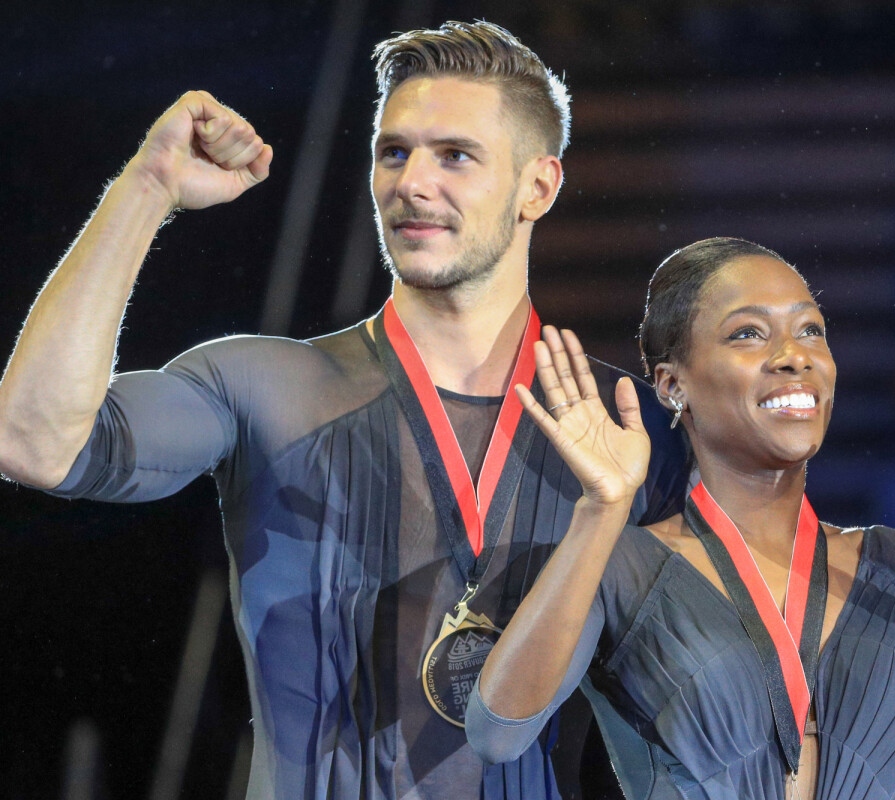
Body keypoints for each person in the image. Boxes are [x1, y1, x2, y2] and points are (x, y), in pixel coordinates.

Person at [0, 21, 686, 800]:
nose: (411, 183)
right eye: (393, 152)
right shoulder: (268, 387)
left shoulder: (636, 438)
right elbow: (30, 441)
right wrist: (146, 189)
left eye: (454, 155)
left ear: (539, 186)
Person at [466, 237, 895, 799]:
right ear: (672, 385)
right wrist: (600, 511)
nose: (795, 354)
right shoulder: (623, 566)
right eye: (748, 333)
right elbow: (498, 732)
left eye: (811, 329)